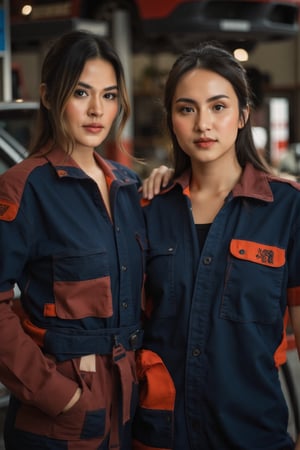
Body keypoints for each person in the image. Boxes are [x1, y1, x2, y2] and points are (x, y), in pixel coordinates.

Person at [133, 42, 300, 450]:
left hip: (252, 433)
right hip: (161, 436)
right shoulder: (148, 208)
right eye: (187, 109)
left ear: (243, 114)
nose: (203, 124)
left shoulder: (287, 209)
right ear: (171, 120)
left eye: (219, 107)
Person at [0, 30, 147, 450]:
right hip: (58, 420)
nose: (97, 110)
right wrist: (59, 397)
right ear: (48, 96)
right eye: (81, 92)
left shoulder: (128, 187)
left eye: (110, 95)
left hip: (128, 407)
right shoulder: (22, 188)